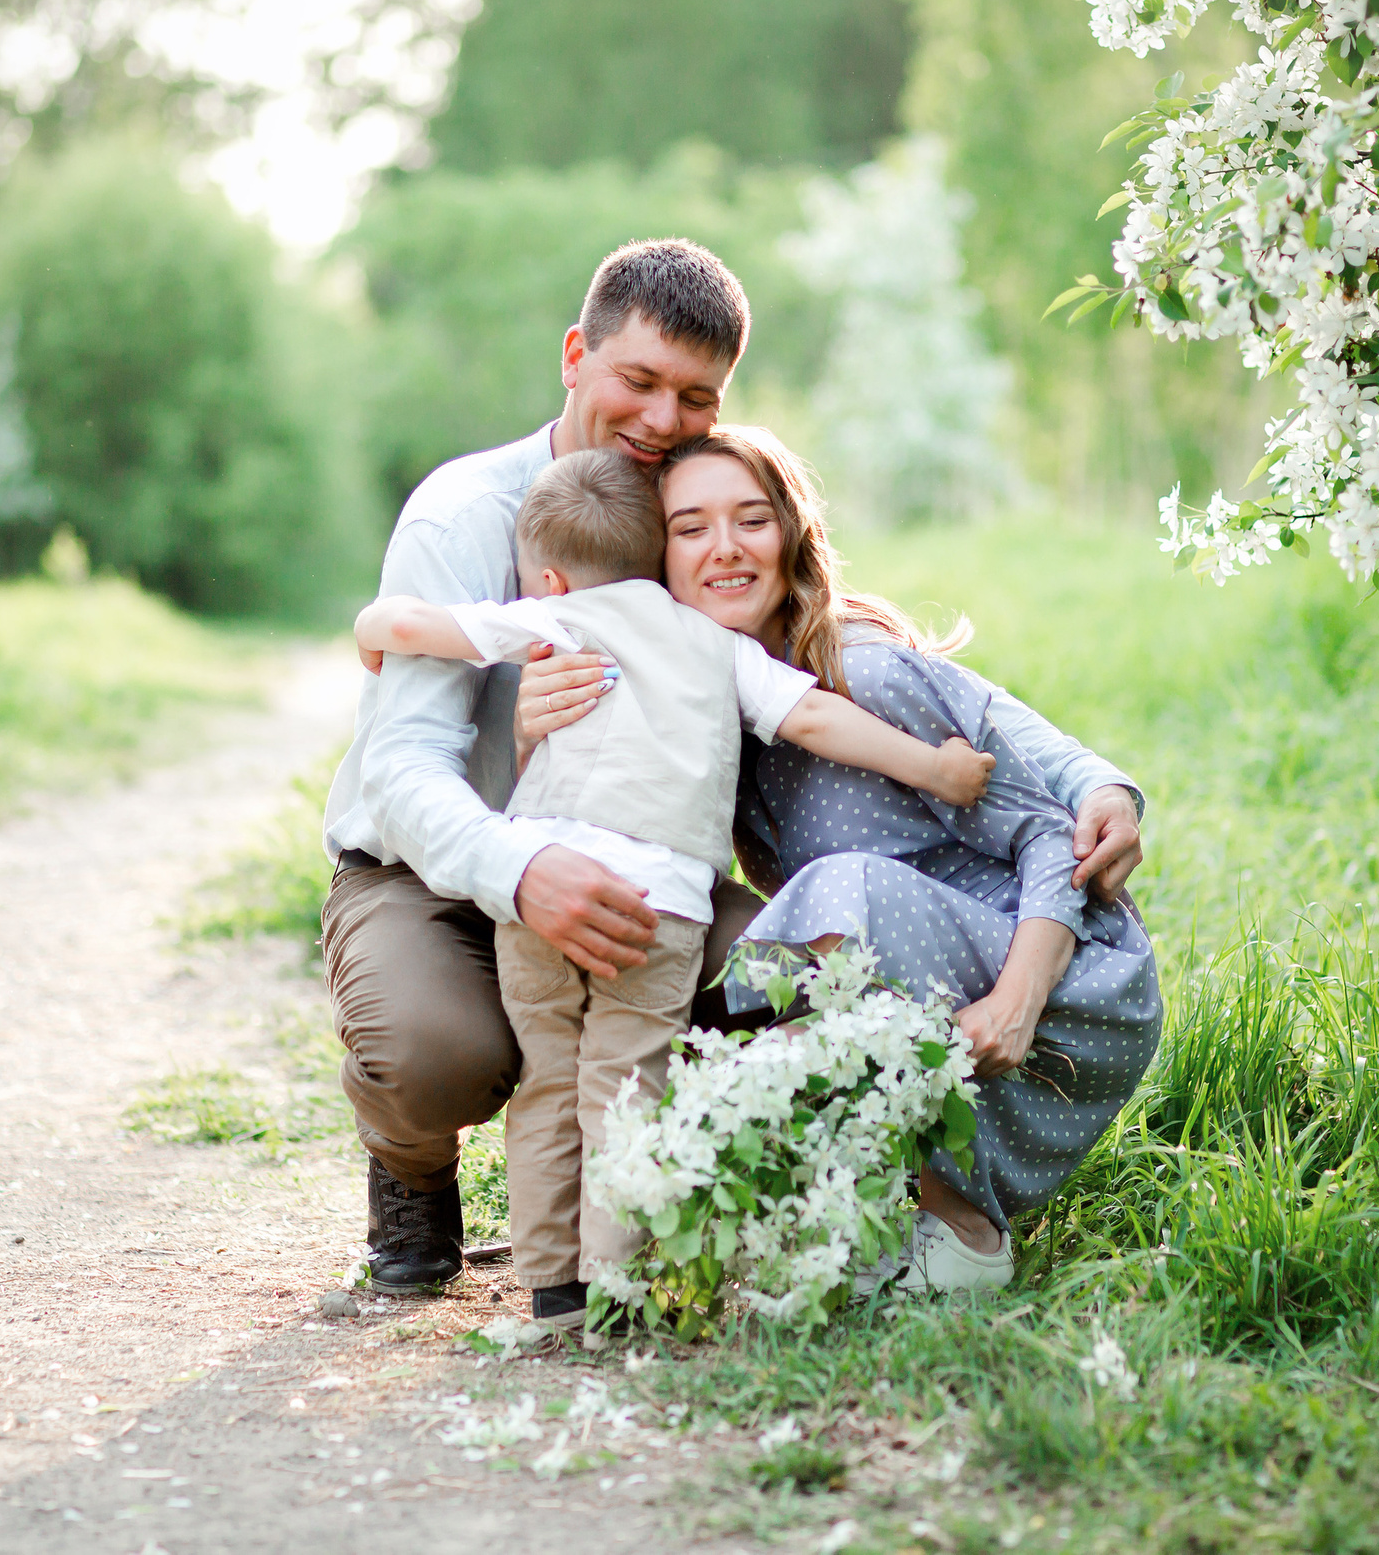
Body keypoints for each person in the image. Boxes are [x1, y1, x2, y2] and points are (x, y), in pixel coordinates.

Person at [321, 237, 1145, 1295]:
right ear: (576, 355)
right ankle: (411, 1171)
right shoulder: (467, 516)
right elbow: (402, 767)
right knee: (437, 1055)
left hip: (636, 865)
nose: (662, 421)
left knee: (792, 986)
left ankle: (715, 1211)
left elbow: (851, 666)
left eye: (694, 397)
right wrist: (520, 863)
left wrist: (1095, 783)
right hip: (431, 869)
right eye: (638, 381)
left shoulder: (676, 520)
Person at [351, 449, 994, 1329]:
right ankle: (618, 1291)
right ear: (661, 552)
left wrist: (373, 626)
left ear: (549, 572)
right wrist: (938, 768)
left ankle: (552, 1293)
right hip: (659, 914)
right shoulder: (718, 645)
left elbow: (420, 628)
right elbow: (812, 715)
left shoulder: (552, 618)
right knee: (627, 1088)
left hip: (538, 896)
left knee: (549, 1087)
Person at [515, 427, 1164, 1295]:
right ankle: (826, 1220)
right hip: (938, 983)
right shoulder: (718, 715)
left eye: (751, 520)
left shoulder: (862, 677)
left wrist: (1019, 999)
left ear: (790, 535)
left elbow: (1050, 834)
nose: (725, 549)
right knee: (697, 955)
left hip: (1061, 980)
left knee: (835, 897)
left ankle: (961, 1225)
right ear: (651, 561)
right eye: (691, 527)